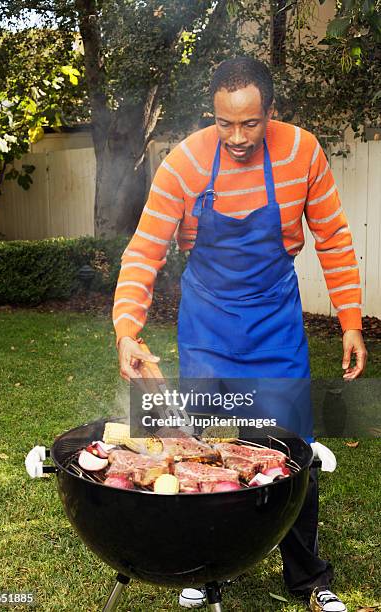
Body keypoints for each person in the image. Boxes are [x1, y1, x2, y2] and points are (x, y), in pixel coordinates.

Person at [113, 56, 367, 611]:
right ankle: (207, 571)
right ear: (212, 113)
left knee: (291, 447)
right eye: (225, 123)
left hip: (274, 321)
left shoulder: (302, 152)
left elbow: (333, 239)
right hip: (207, 324)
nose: (237, 137)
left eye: (250, 123)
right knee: (204, 447)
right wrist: (127, 330)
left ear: (270, 112)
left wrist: (351, 321)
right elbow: (144, 252)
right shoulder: (184, 163)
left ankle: (307, 577)